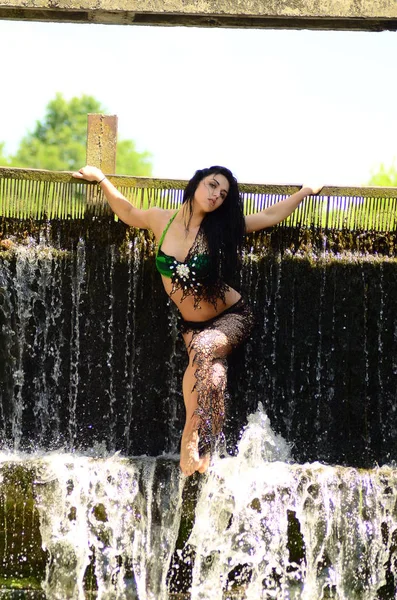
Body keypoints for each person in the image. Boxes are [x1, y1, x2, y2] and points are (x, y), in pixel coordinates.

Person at [72, 165, 322, 476]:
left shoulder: (221, 229)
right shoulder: (160, 220)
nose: (216, 195)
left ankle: (189, 437)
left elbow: (269, 216)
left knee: (204, 350)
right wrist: (103, 180)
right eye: (212, 185)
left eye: (223, 193)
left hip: (232, 316)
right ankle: (208, 449)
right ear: (195, 184)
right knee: (211, 374)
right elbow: (126, 211)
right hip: (192, 324)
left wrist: (304, 192)